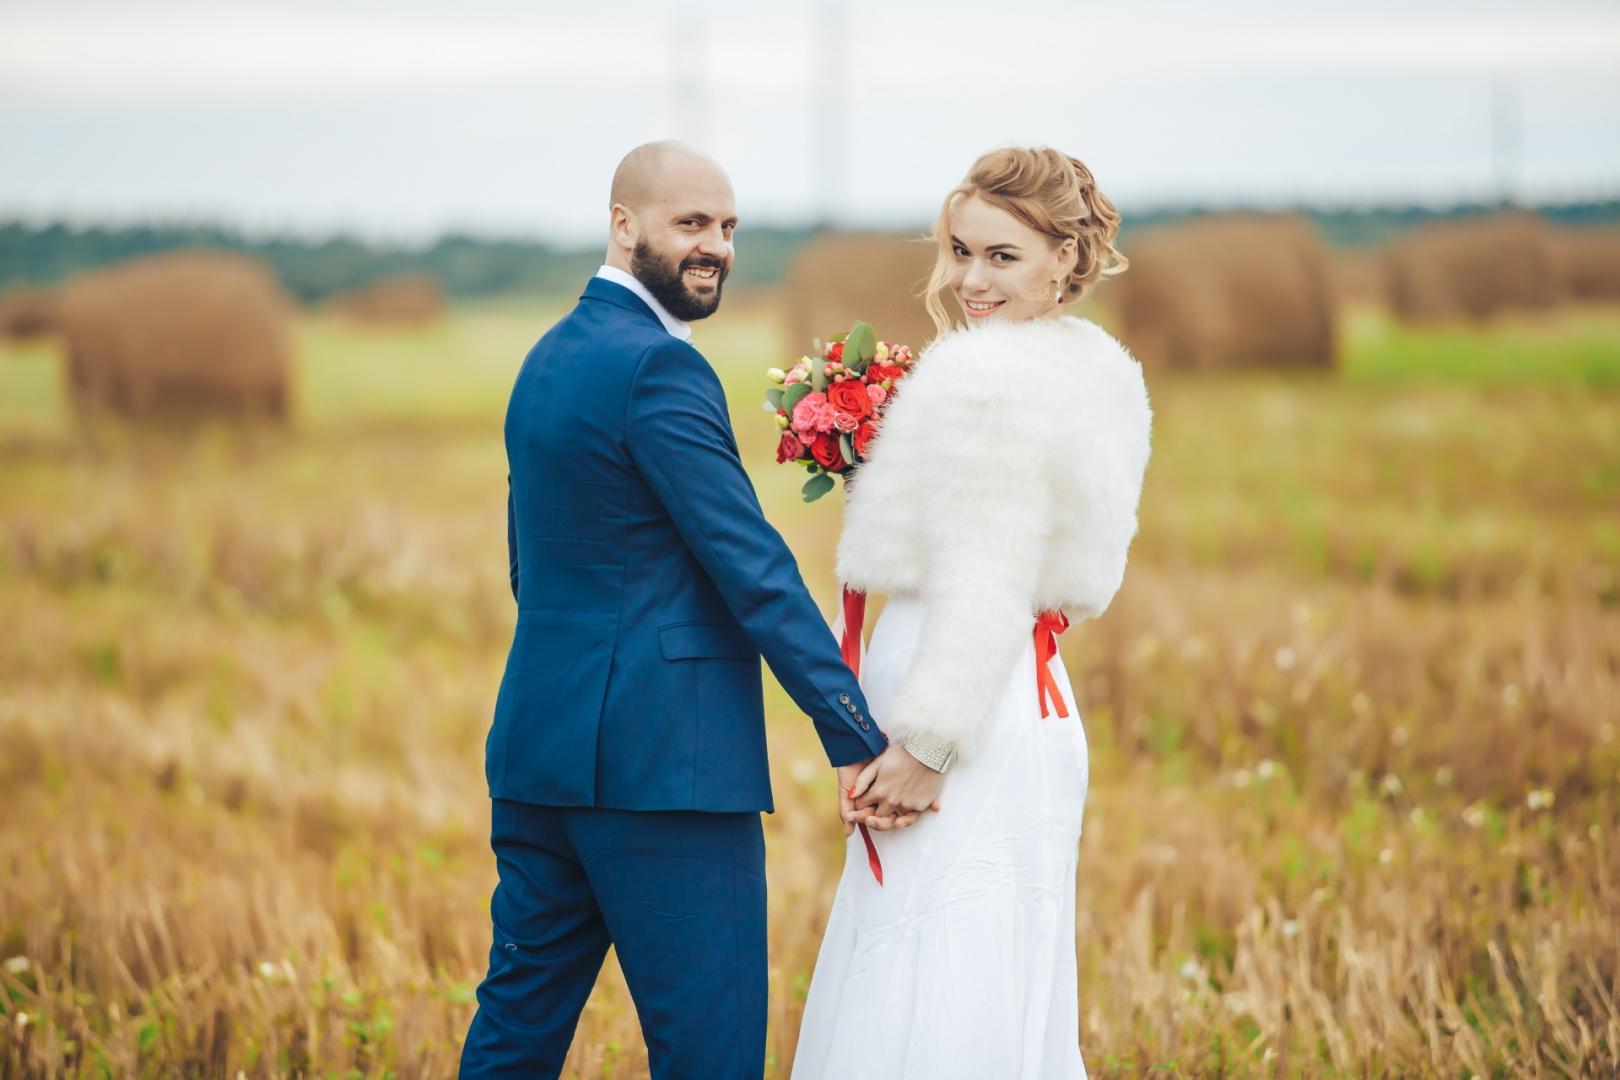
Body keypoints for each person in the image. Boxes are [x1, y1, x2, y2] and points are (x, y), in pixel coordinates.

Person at [459, 140, 898, 1080]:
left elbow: (527, 566)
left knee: (513, 1041)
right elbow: (752, 567)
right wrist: (854, 730)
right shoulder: (659, 368)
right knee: (713, 1055)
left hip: (541, 757)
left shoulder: (548, 358)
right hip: (668, 778)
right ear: (624, 225)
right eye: (692, 223)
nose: (717, 246)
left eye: (729, 227)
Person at [792, 146, 1153, 1079]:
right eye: (960, 251)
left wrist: (928, 747)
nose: (967, 280)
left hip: (960, 708)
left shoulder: (981, 376)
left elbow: (986, 580)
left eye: (1002, 256)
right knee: (1002, 971)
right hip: (1036, 704)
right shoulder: (1099, 369)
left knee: (929, 974)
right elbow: (1079, 573)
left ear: (1065, 259)